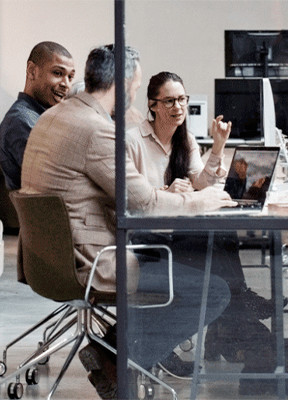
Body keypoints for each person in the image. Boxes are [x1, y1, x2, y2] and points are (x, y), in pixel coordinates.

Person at [20, 45, 234, 399]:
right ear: (121, 83)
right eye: (135, 87)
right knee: (213, 289)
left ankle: (112, 349)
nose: (135, 98)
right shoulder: (95, 130)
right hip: (92, 262)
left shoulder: (54, 117)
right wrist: (201, 200)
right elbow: (146, 203)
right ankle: (113, 357)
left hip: (47, 260)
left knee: (179, 267)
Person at [126, 71, 284, 396]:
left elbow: (203, 183)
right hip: (149, 243)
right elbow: (129, 200)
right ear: (152, 105)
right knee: (214, 241)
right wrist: (164, 190)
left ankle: (236, 316)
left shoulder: (184, 140)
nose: (178, 107)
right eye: (169, 101)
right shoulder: (132, 142)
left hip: (176, 234)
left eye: (182, 99)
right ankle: (242, 323)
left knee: (218, 234)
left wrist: (220, 145)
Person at [0, 41, 75, 191]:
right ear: (32, 71)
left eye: (70, 77)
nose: (66, 84)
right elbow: (58, 181)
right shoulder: (22, 121)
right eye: (58, 73)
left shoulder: (42, 119)